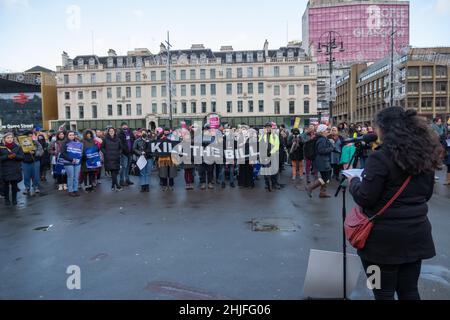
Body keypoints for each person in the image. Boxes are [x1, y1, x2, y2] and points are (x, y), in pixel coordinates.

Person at [348, 107, 441, 300]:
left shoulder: (380, 157)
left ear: (384, 128)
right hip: (416, 235)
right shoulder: (424, 155)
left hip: (380, 242)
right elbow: (426, 194)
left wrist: (353, 183)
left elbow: (366, 197)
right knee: (409, 291)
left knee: (381, 293)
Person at [306, 124, 334, 198]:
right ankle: (310, 187)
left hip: (324, 161)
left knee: (326, 177)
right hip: (322, 161)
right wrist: (331, 148)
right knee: (325, 178)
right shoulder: (322, 139)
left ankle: (322, 192)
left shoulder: (323, 138)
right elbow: (321, 150)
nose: (328, 131)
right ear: (322, 131)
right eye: (326, 130)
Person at [0, 133, 24, 206]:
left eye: (11, 137)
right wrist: (7, 157)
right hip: (5, 169)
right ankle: (7, 200)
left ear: (13, 138)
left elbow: (22, 157)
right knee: (6, 186)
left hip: (15, 169)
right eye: (8, 138)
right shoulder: (1, 147)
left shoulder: (18, 147)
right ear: (4, 139)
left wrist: (15, 156)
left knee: (14, 186)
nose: (10, 139)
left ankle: (14, 199)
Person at [61, 131, 83, 197]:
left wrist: (79, 158)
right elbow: (63, 154)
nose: (72, 136)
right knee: (71, 176)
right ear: (67, 136)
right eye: (70, 135)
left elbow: (80, 152)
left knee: (76, 177)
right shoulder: (65, 143)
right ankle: (70, 190)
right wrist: (71, 159)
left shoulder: (78, 143)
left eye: (73, 135)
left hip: (77, 162)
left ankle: (75, 190)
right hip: (68, 162)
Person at [21, 131, 44, 196]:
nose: (30, 137)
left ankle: (36, 186)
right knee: (26, 175)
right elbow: (19, 153)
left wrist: (35, 152)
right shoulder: (21, 144)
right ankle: (27, 187)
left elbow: (41, 151)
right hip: (25, 162)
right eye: (29, 136)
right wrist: (24, 152)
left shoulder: (36, 142)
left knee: (36, 175)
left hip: (35, 161)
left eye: (31, 136)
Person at [260, 122, 281, 191]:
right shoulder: (262, 135)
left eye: (269, 127)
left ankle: (274, 183)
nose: (268, 128)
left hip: (273, 155)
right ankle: (267, 184)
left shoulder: (275, 135)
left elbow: (276, 146)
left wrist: (270, 152)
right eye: (266, 127)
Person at [102, 127, 123, 192]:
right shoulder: (105, 139)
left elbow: (121, 148)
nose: (111, 132)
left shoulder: (118, 139)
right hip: (109, 158)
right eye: (110, 131)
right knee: (113, 171)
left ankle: (112, 185)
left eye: (112, 131)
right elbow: (102, 148)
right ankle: (117, 185)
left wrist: (119, 153)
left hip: (116, 157)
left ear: (114, 132)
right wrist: (106, 153)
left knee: (115, 172)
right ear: (108, 132)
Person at [118, 122, 135, 187]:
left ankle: (127, 179)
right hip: (124, 153)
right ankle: (121, 181)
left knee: (128, 167)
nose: (125, 127)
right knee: (123, 167)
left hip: (130, 153)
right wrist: (124, 150)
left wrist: (132, 149)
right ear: (121, 127)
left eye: (126, 125)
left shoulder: (130, 132)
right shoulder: (120, 134)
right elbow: (120, 144)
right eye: (123, 126)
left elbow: (133, 140)